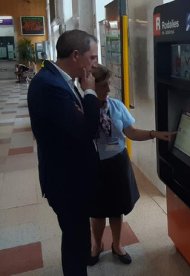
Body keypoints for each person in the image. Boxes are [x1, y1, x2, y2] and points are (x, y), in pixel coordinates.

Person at [27, 30, 100, 276]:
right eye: (92, 57)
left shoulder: (57, 80)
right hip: (66, 182)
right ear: (76, 56)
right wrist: (90, 92)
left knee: (75, 235)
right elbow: (88, 130)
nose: (95, 64)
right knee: (76, 239)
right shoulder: (50, 86)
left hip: (69, 176)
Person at [88, 64, 175, 266]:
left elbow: (131, 133)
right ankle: (96, 245)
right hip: (94, 164)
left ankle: (117, 245)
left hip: (117, 163)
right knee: (97, 210)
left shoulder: (117, 106)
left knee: (116, 207)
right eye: (103, 86)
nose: (108, 90)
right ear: (91, 86)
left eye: (109, 84)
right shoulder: (84, 109)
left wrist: (154, 134)